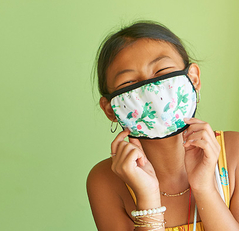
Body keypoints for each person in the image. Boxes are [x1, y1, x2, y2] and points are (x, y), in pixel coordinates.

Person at [87, 21, 239, 231]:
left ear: (193, 79)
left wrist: (205, 188)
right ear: (110, 109)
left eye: (162, 72)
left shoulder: (234, 153)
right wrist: (147, 198)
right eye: (129, 84)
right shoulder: (105, 180)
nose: (152, 92)